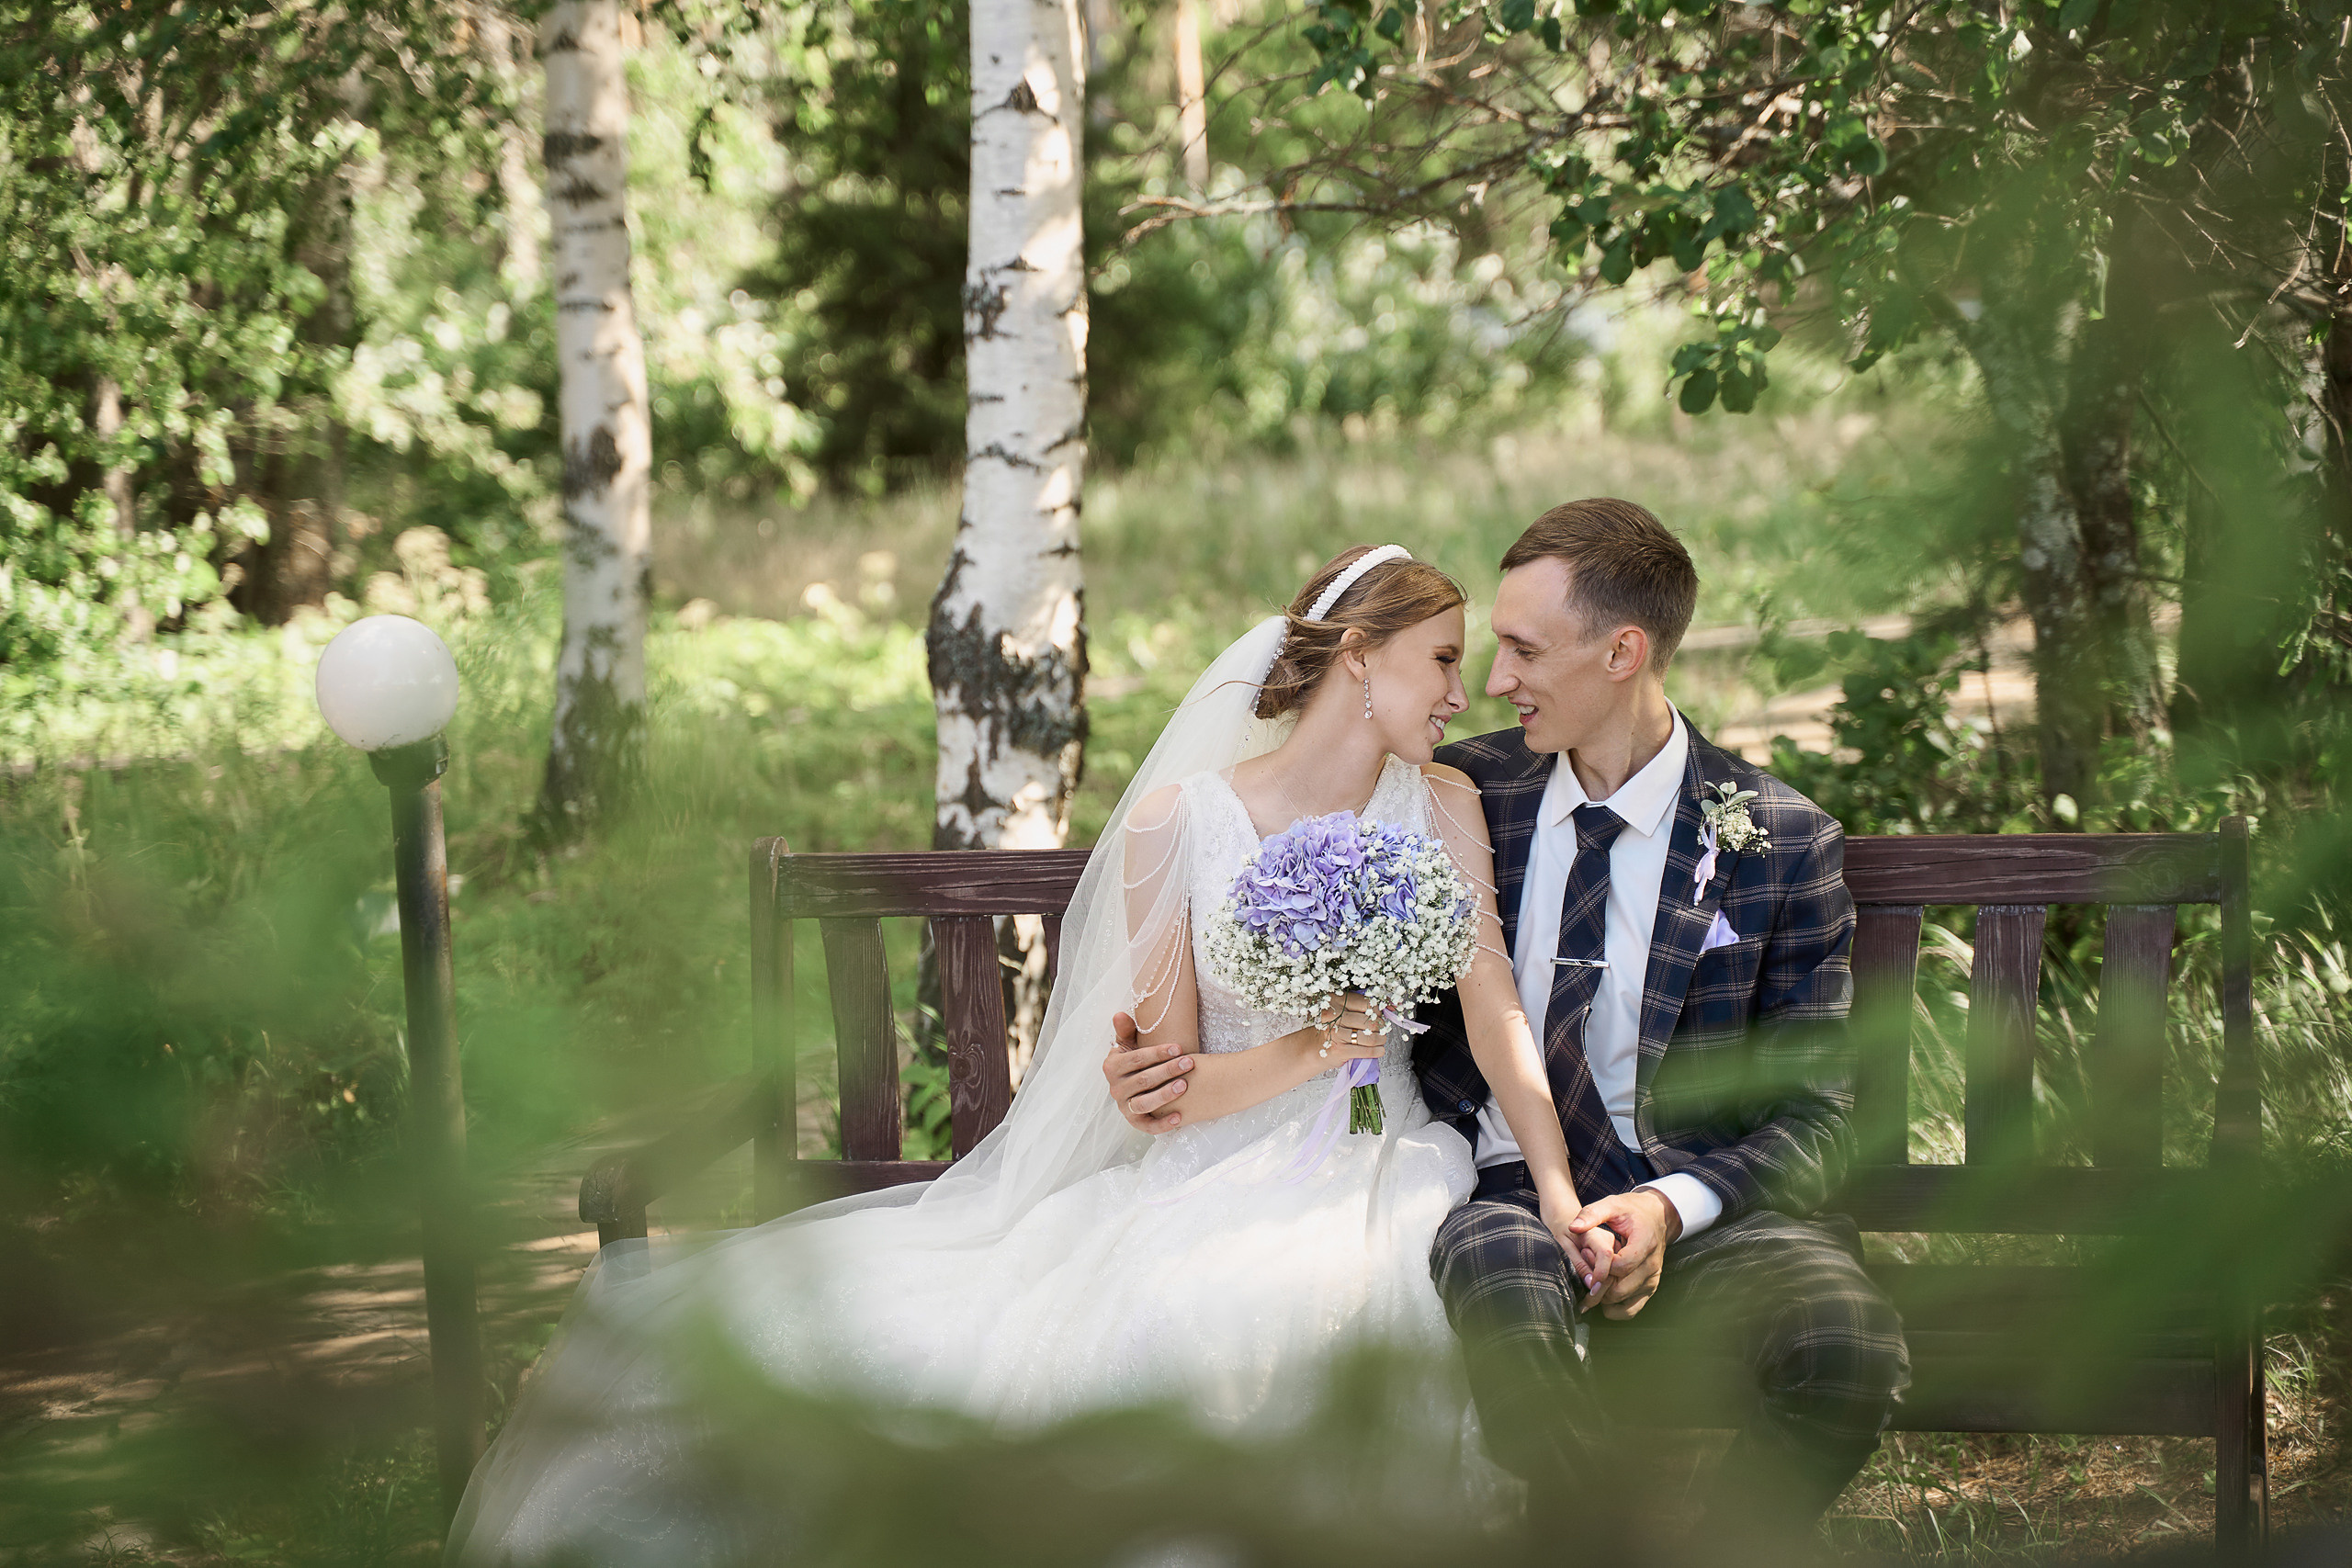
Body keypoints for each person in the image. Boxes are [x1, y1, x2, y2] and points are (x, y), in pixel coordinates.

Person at [445, 545, 1612, 1566]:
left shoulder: (1442, 805)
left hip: (1386, 1168)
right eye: (1445, 660)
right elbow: (1167, 1096)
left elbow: (1496, 1006)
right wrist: (1318, 1044)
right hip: (1211, 1172)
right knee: (1189, 1331)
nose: (1466, 692)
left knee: (1365, 1322)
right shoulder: (1181, 826)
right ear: (1359, 656)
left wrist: (1558, 1193)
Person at [1106, 499, 1911, 1542]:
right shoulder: (1460, 787)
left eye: (1523, 649)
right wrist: (1159, 1067)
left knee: (1843, 1342)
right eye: (1477, 653)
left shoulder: (1776, 840)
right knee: (1504, 1301)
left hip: (1706, 1210)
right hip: (1497, 1191)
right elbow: (1282, 832)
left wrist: (1667, 1210)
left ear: (1622, 652)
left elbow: (1818, 1116)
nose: (1489, 682)